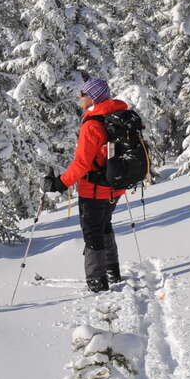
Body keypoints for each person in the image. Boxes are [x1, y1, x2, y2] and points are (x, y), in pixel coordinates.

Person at [43, 78, 128, 293]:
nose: (80, 97)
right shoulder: (120, 116)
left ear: (94, 97)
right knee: (104, 224)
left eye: (84, 93)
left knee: (92, 233)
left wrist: (60, 183)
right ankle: (112, 271)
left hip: (95, 188)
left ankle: (97, 283)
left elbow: (82, 163)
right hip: (116, 186)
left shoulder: (93, 125)